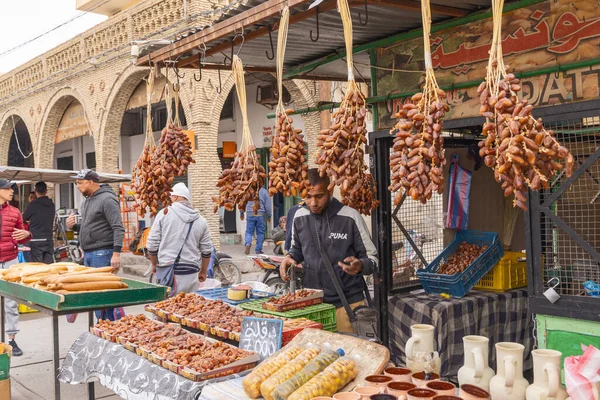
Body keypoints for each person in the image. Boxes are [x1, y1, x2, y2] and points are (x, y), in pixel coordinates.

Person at [280, 169, 378, 334]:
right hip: (312, 307)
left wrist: (360, 265)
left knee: (348, 356)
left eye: (319, 196)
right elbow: (297, 249)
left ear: (330, 190)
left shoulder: (350, 217)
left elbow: (373, 258)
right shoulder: (299, 217)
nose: (313, 203)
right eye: (308, 196)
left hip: (347, 306)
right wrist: (289, 258)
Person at [66, 169, 125, 321]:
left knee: (103, 295)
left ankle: (114, 327)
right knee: (96, 296)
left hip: (103, 252)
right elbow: (90, 227)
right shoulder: (86, 201)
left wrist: (116, 253)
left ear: (90, 182)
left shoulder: (107, 199)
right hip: (89, 253)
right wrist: (74, 227)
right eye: (76, 183)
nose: (77, 186)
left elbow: (118, 227)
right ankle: (103, 327)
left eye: (80, 183)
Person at [146, 183, 213, 294]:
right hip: (192, 274)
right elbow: (207, 250)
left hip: (169, 273)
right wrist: (203, 271)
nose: (170, 199)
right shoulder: (201, 220)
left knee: (168, 308)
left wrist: (154, 265)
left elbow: (152, 245)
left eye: (171, 197)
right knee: (190, 308)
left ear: (176, 197)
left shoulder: (164, 214)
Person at [0, 179, 32, 356]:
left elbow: (23, 234)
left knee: (11, 303)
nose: (12, 191)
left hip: (11, 261)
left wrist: (27, 234)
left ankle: (12, 339)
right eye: (8, 188)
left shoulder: (15, 212)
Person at [22, 182, 55, 263]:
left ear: (35, 190)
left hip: (35, 239)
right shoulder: (52, 205)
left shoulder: (32, 205)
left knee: (37, 268)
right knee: (48, 268)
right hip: (49, 239)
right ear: (46, 191)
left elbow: (22, 219)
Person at [240, 186, 271, 255]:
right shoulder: (264, 191)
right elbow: (268, 205)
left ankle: (248, 243)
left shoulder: (247, 190)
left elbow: (242, 202)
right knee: (260, 233)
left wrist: (241, 212)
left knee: (249, 232)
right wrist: (269, 215)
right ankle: (258, 249)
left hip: (250, 213)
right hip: (260, 214)